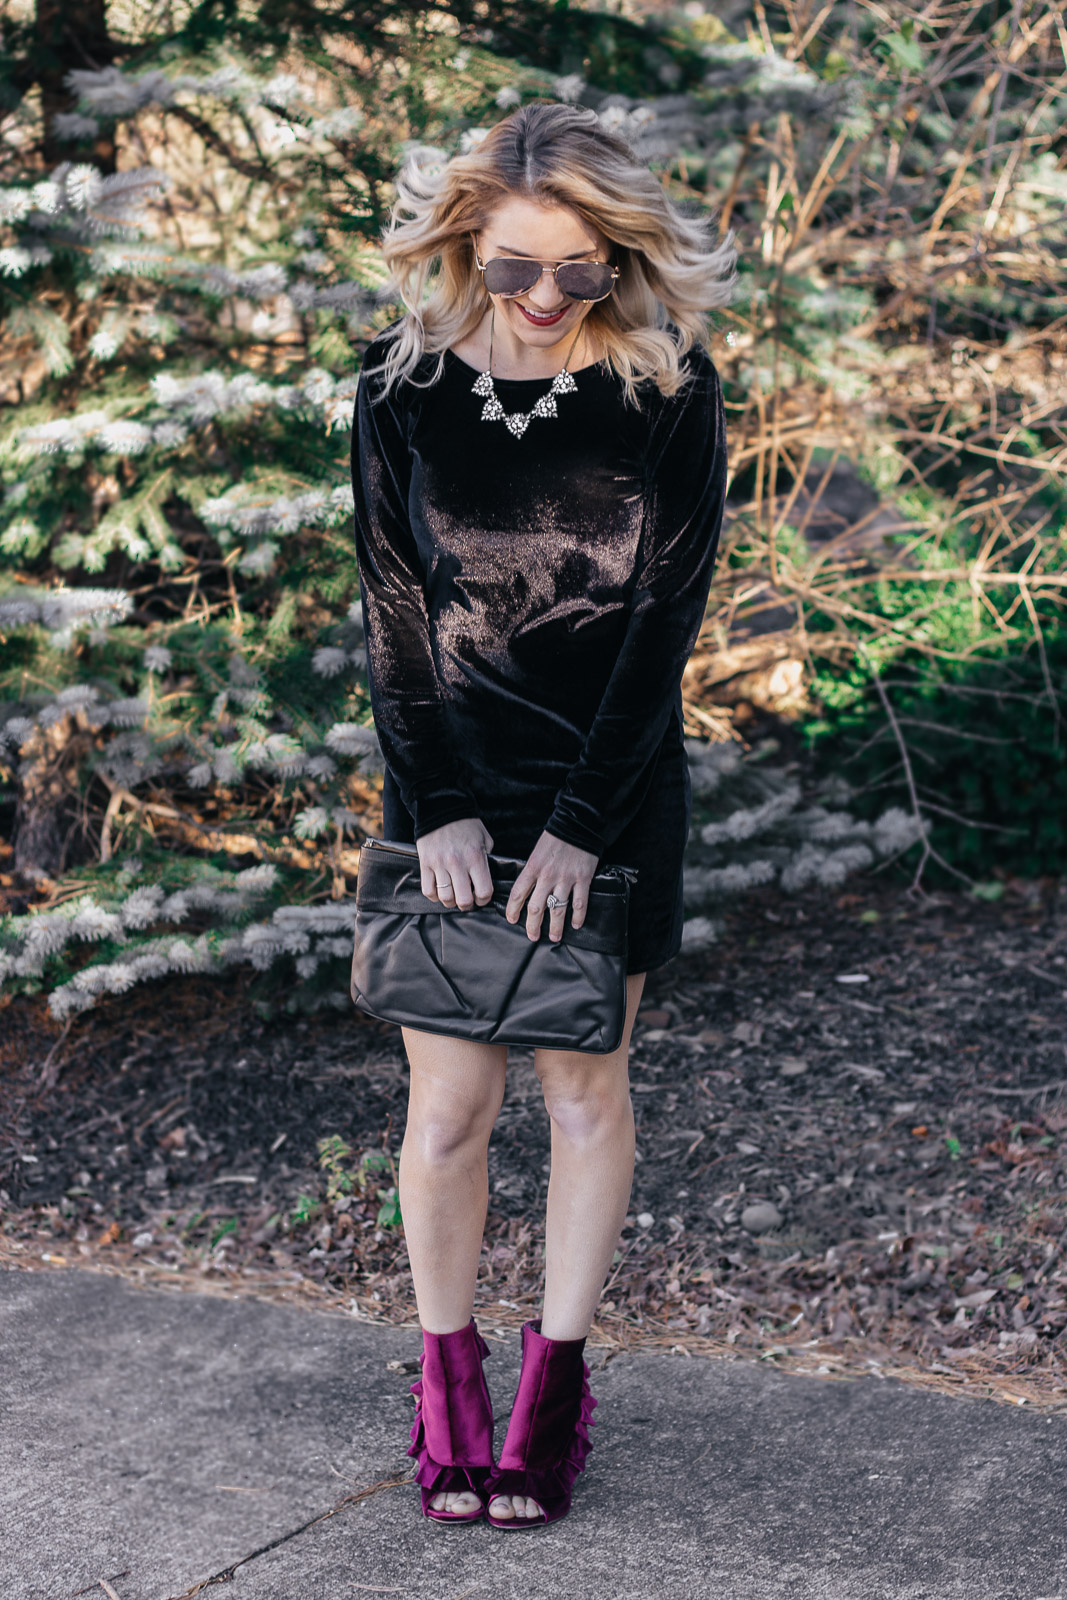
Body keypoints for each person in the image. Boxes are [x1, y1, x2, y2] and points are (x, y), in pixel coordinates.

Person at [350, 100, 734, 1530]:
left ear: (617, 259)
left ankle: (551, 1397)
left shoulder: (670, 386)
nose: (548, 299)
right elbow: (392, 609)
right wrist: (438, 805)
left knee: (583, 1093)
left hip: (610, 786)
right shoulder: (398, 384)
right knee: (447, 1111)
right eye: (516, 269)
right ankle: (446, 1384)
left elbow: (661, 621)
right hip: (450, 782)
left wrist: (582, 824)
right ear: (464, 245)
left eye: (580, 269)